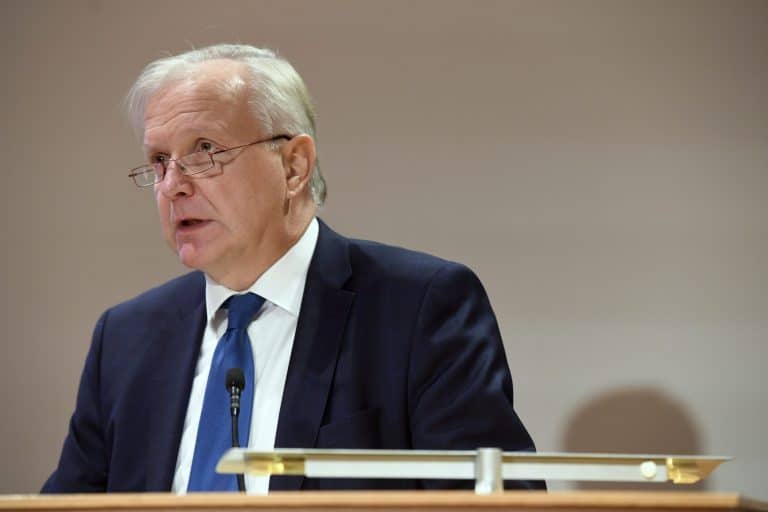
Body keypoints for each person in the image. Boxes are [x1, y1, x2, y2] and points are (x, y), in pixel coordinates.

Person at [42, 44, 543, 493]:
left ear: (294, 166)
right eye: (159, 160)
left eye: (205, 150)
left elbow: (496, 501)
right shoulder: (127, 338)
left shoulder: (419, 310)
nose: (173, 185)